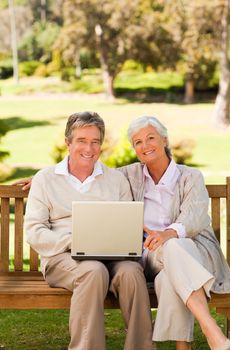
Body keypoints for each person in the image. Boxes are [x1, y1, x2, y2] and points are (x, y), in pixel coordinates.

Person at [24, 111, 154, 350]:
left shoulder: (115, 179)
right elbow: (34, 230)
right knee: (93, 271)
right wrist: (72, 241)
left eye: (95, 141)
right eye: (82, 141)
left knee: (131, 273)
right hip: (63, 257)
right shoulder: (46, 179)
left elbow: (128, 225)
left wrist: (120, 243)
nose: (89, 148)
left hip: (112, 256)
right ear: (68, 143)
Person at [119, 116, 230, 350]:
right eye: (138, 142)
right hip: (150, 256)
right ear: (134, 149)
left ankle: (184, 347)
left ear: (164, 139)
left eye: (151, 138)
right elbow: (88, 176)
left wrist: (168, 234)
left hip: (196, 252)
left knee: (170, 270)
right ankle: (211, 331)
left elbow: (195, 217)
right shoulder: (128, 175)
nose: (145, 145)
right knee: (171, 251)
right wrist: (42, 179)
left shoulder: (190, 176)